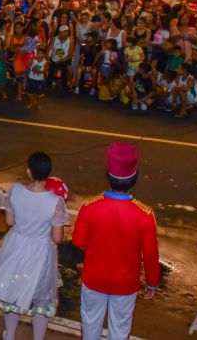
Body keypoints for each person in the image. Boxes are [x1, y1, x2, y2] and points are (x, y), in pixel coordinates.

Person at [71, 143, 160, 340]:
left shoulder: (90, 206)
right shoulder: (144, 214)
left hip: (94, 278)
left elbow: (78, 240)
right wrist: (152, 283)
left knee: (90, 324)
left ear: (108, 176)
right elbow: (151, 255)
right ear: (134, 178)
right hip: (126, 284)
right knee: (120, 328)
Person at [0, 152, 68, 340]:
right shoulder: (55, 202)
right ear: (49, 173)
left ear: (28, 172)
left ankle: (10, 335)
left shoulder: (15, 190)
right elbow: (57, 238)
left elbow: (9, 221)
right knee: (41, 297)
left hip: (16, 245)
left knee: (12, 291)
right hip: (41, 252)